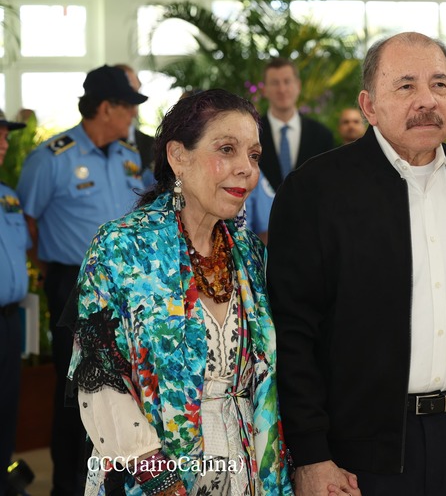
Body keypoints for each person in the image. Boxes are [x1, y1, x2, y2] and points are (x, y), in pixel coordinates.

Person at [267, 32, 446, 496]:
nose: (427, 100)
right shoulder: (315, 192)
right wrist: (310, 454)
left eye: (439, 84)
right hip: (362, 453)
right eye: (406, 86)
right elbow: (292, 333)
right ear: (369, 105)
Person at [65, 89, 293, 495]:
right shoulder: (122, 248)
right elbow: (101, 381)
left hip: (245, 469)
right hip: (153, 475)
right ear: (178, 156)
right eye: (227, 149)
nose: (246, 168)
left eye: (254, 155)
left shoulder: (250, 255)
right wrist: (161, 480)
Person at [16, 64, 148, 496]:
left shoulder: (129, 157)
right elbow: (28, 223)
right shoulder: (52, 158)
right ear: (106, 108)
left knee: (123, 385)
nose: (133, 115)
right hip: (73, 284)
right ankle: (69, 486)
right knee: (76, 389)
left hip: (125, 286)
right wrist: (57, 274)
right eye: (128, 106)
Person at [0, 110, 30, 496]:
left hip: (9, 320)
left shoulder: (7, 195)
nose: (4, 143)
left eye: (6, 135)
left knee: (7, 406)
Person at [258, 58, 335, 190]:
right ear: (264, 90)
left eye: (287, 81)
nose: (282, 89)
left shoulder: (322, 135)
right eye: (275, 83)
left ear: (298, 86)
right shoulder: (253, 133)